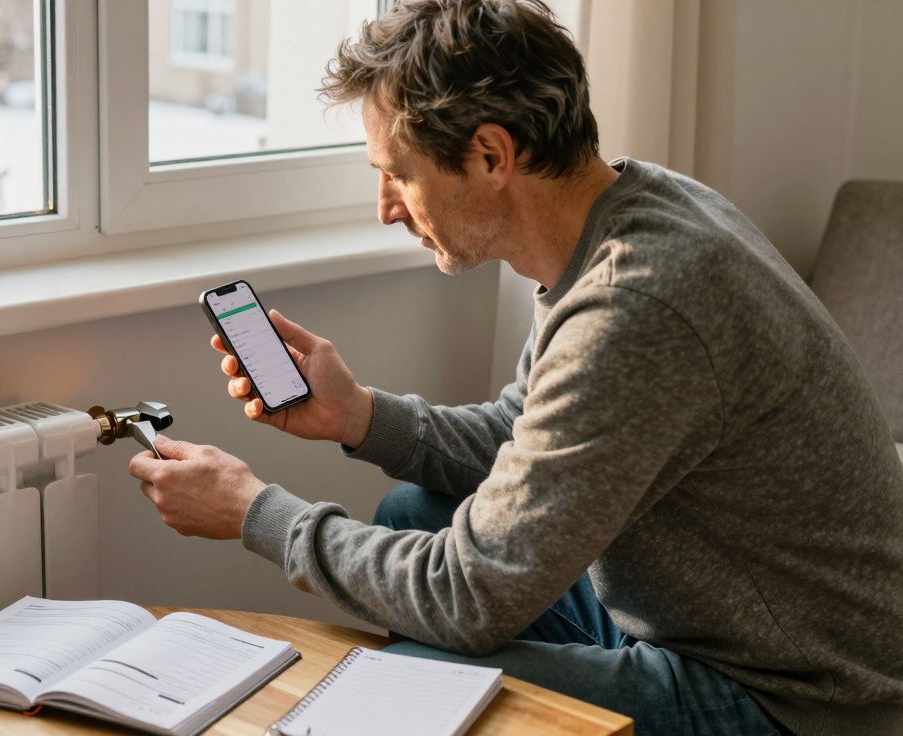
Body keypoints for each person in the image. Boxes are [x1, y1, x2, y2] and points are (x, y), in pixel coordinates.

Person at [127, 1, 903, 733]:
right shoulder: (629, 209)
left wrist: (254, 513)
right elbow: (525, 431)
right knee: (410, 512)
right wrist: (360, 415)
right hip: (705, 613)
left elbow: (469, 595)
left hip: (795, 694)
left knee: (415, 671)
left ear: (491, 154)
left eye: (397, 173)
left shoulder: (636, 306)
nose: (386, 207)